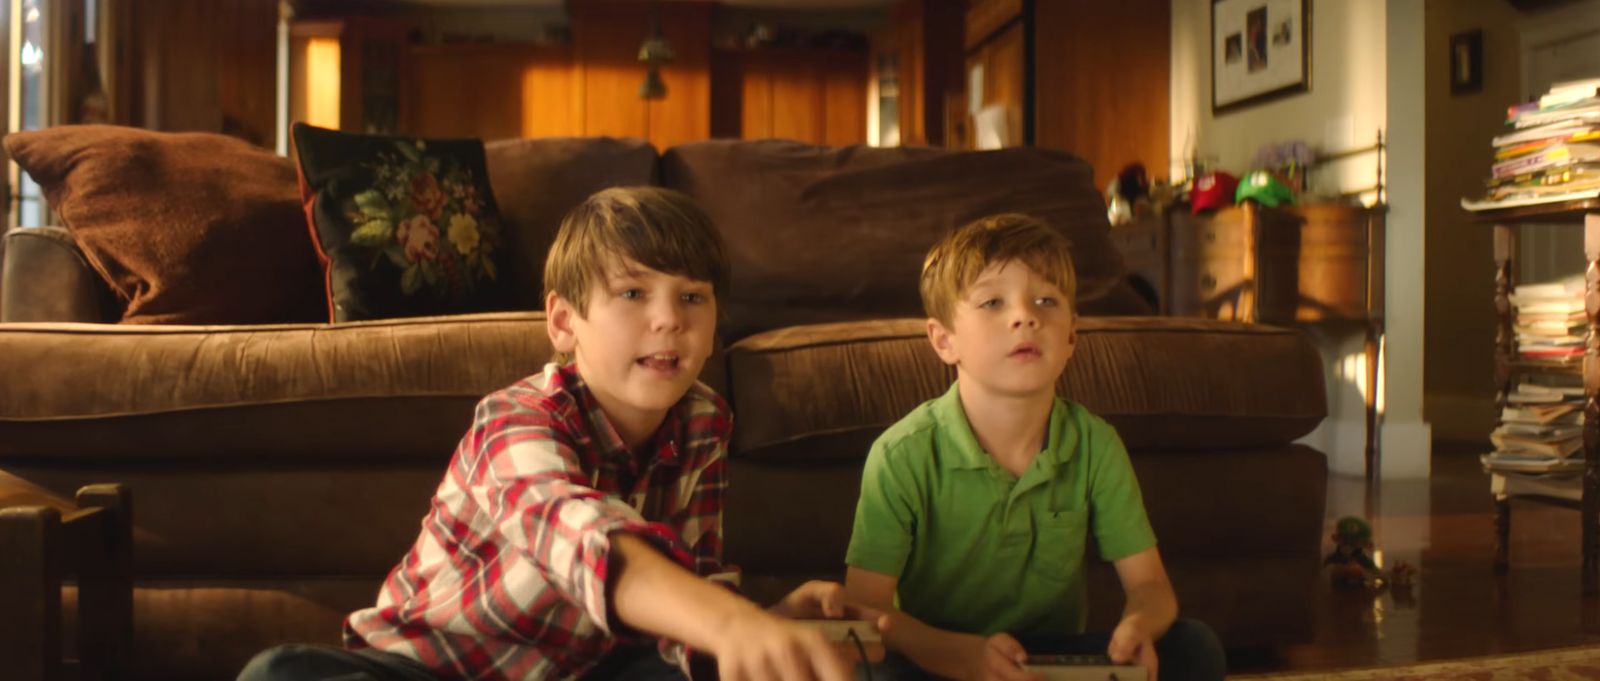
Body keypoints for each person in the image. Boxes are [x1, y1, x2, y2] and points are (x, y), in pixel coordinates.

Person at [238, 187, 882, 681]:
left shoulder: (704, 420)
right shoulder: (517, 417)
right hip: (431, 669)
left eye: (692, 298)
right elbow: (575, 532)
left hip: (583, 671)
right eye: (632, 293)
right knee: (281, 674)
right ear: (564, 321)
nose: (668, 321)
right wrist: (729, 622)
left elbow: (687, 591)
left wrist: (767, 626)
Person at [844, 214, 1225, 681]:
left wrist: (1137, 628)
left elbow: (1150, 585)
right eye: (992, 303)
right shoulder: (902, 453)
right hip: (939, 659)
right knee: (867, 670)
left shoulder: (1095, 445)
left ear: (1070, 336)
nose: (1026, 316)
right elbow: (865, 609)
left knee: (1194, 648)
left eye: (1046, 300)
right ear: (944, 340)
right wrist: (958, 655)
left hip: (1050, 663)